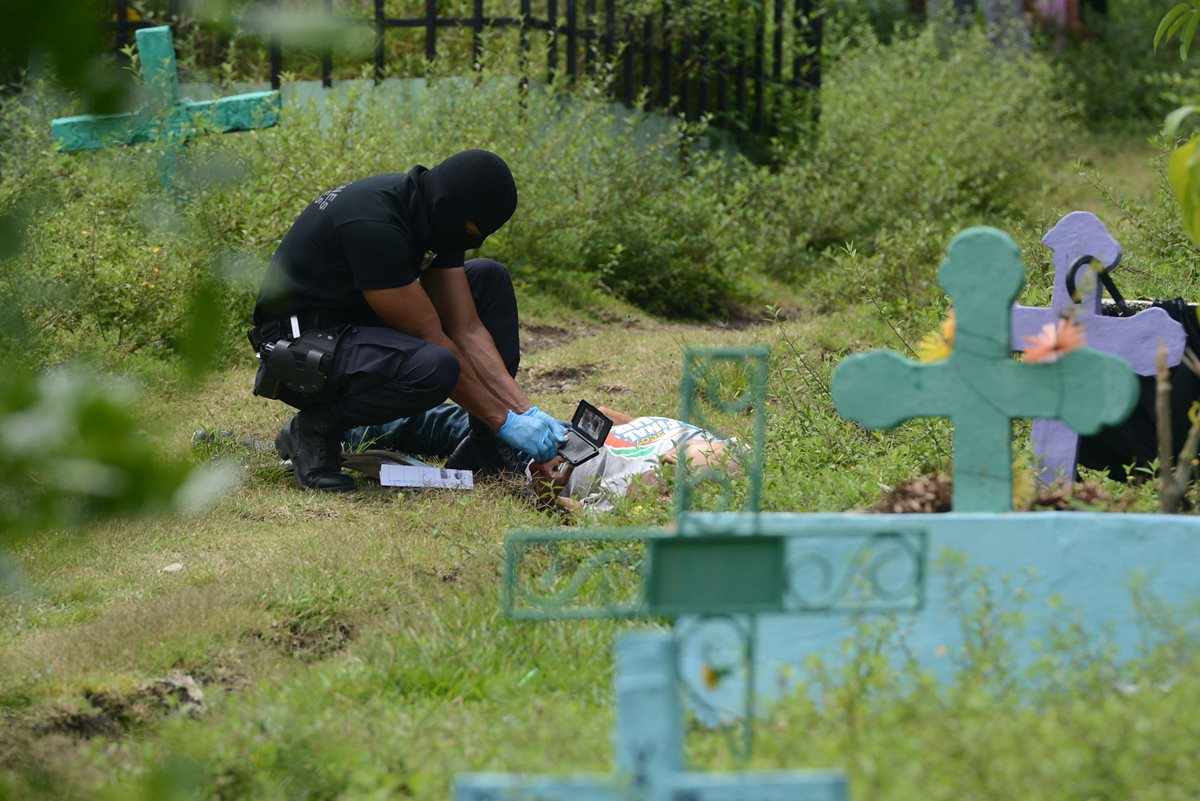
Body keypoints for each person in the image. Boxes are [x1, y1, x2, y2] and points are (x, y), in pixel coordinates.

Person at [248, 150, 566, 491]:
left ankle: (484, 448)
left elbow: (466, 328)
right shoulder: (375, 223)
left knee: (488, 279)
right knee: (435, 366)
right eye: (472, 232)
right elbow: (433, 338)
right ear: (451, 208)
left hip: (352, 325)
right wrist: (504, 420)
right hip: (299, 346)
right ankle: (314, 431)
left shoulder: (438, 214)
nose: (473, 242)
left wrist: (525, 411)